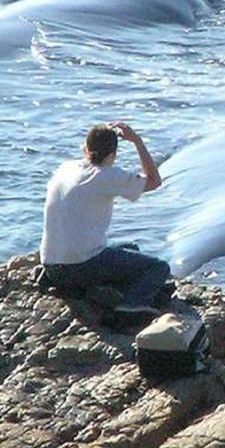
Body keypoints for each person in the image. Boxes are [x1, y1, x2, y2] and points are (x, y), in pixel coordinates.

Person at [39, 121, 170, 313]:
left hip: (51, 265)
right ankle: (131, 306)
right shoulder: (106, 175)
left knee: (131, 249)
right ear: (113, 154)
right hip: (79, 266)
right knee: (158, 267)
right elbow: (154, 181)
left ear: (86, 147)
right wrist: (137, 142)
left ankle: (81, 288)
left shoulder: (67, 168)